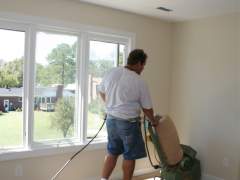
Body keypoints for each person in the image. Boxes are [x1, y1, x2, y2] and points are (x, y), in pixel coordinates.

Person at [98, 49, 159, 180]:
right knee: (129, 155)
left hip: (111, 121)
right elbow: (147, 108)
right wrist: (153, 121)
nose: (143, 68)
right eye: (143, 65)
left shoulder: (112, 72)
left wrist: (110, 106)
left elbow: (101, 91)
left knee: (112, 152)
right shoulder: (139, 81)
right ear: (138, 63)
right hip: (128, 124)